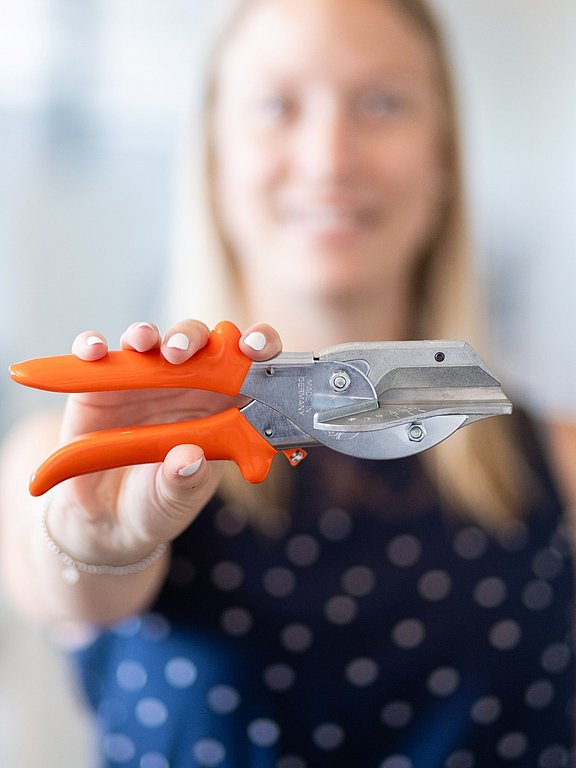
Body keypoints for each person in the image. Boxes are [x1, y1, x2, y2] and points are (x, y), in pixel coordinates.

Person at [1, 0, 574, 766]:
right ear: (213, 161)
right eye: (276, 105)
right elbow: (67, 575)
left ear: (442, 158)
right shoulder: (88, 456)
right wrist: (99, 546)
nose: (330, 158)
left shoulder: (563, 466)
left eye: (383, 102)